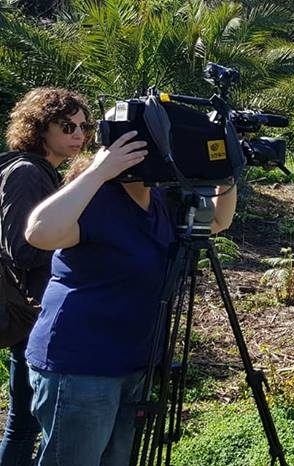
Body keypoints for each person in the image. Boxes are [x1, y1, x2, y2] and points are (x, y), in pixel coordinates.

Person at [23, 130, 238, 465]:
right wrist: (99, 171)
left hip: (135, 363)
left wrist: (226, 168)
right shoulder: (97, 199)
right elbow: (39, 232)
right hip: (81, 365)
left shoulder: (163, 202)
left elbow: (219, 220)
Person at [0, 87, 92, 465]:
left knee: (26, 422)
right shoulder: (25, 173)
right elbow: (19, 247)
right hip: (28, 311)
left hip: (33, 309)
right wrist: (74, 242)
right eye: (67, 126)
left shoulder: (41, 172)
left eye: (84, 126)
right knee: (24, 424)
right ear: (39, 127)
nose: (78, 135)